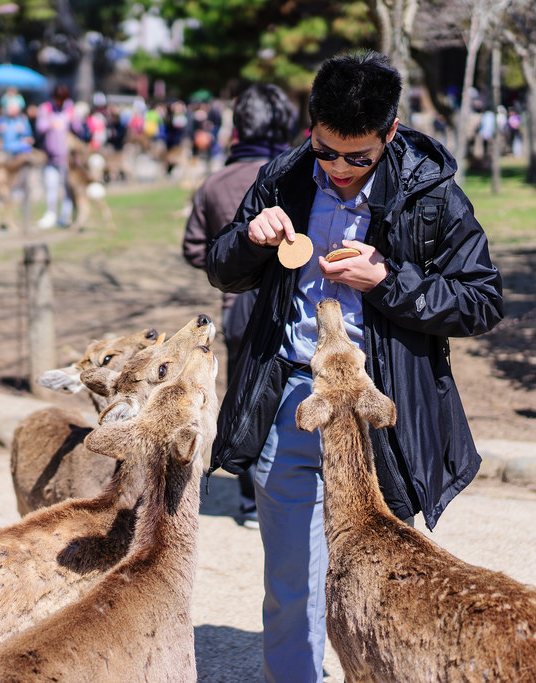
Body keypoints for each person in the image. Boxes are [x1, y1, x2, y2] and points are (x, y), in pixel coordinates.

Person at [204, 50, 503, 682]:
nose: (339, 169)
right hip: (290, 395)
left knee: (383, 584)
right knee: (292, 581)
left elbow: (482, 300)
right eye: (327, 151)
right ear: (310, 128)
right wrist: (248, 237)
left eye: (358, 157)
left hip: (381, 411)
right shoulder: (283, 175)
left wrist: (388, 279)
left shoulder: (431, 191)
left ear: (390, 133)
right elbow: (221, 268)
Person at [182, 83, 298, 530]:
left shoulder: (215, 184)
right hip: (290, 304)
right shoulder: (298, 177)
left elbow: (197, 249)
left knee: (245, 397)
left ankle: (250, 501)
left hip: (237, 307)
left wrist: (231, 261)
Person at [35, 84, 80, 229]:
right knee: (51, 186)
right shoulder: (46, 109)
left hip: (67, 158)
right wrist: (50, 123)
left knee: (67, 187)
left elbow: (79, 129)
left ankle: (66, 215)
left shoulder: (70, 109)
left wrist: (73, 119)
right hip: (50, 156)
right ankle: (51, 214)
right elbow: (40, 128)